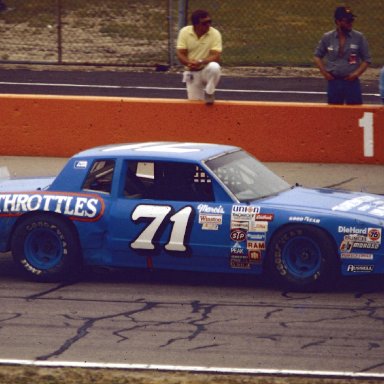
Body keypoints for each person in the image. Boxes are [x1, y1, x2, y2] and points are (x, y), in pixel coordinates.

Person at [313, 6, 371, 105]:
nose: (350, 24)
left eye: (352, 20)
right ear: (338, 22)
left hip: (351, 82)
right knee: (334, 113)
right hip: (334, 81)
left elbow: (367, 59)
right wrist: (325, 73)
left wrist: (356, 74)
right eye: (347, 21)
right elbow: (317, 56)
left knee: (355, 111)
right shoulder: (327, 37)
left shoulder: (359, 37)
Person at [176, 9, 222, 105]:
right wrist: (188, 63)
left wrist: (201, 61)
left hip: (206, 69)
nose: (208, 25)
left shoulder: (215, 33)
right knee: (195, 105)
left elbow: (216, 56)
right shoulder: (184, 32)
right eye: (205, 23)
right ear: (196, 24)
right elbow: (180, 53)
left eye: (210, 21)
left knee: (214, 67)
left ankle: (209, 92)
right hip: (192, 72)